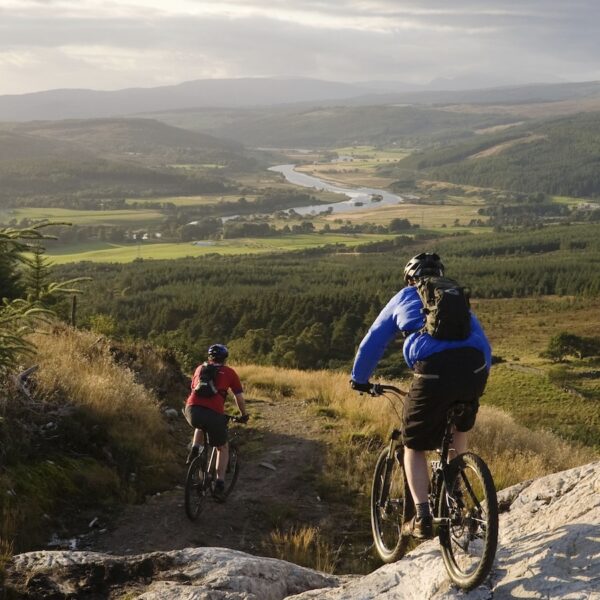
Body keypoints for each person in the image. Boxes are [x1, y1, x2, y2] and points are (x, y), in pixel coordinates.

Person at [350, 252, 491, 539]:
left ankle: (423, 517)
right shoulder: (455, 298)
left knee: (411, 443)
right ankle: (456, 490)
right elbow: (482, 341)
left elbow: (373, 341)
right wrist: (477, 378)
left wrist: (359, 379)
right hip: (475, 367)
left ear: (411, 278)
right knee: (458, 426)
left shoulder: (404, 296)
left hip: (433, 372)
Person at [184, 343, 249, 502]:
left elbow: (194, 388)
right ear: (225, 358)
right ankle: (219, 483)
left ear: (209, 357)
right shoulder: (229, 372)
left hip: (191, 410)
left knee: (200, 424)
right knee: (222, 446)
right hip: (213, 414)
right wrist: (243, 414)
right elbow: (238, 397)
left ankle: (194, 449)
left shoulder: (199, 369)